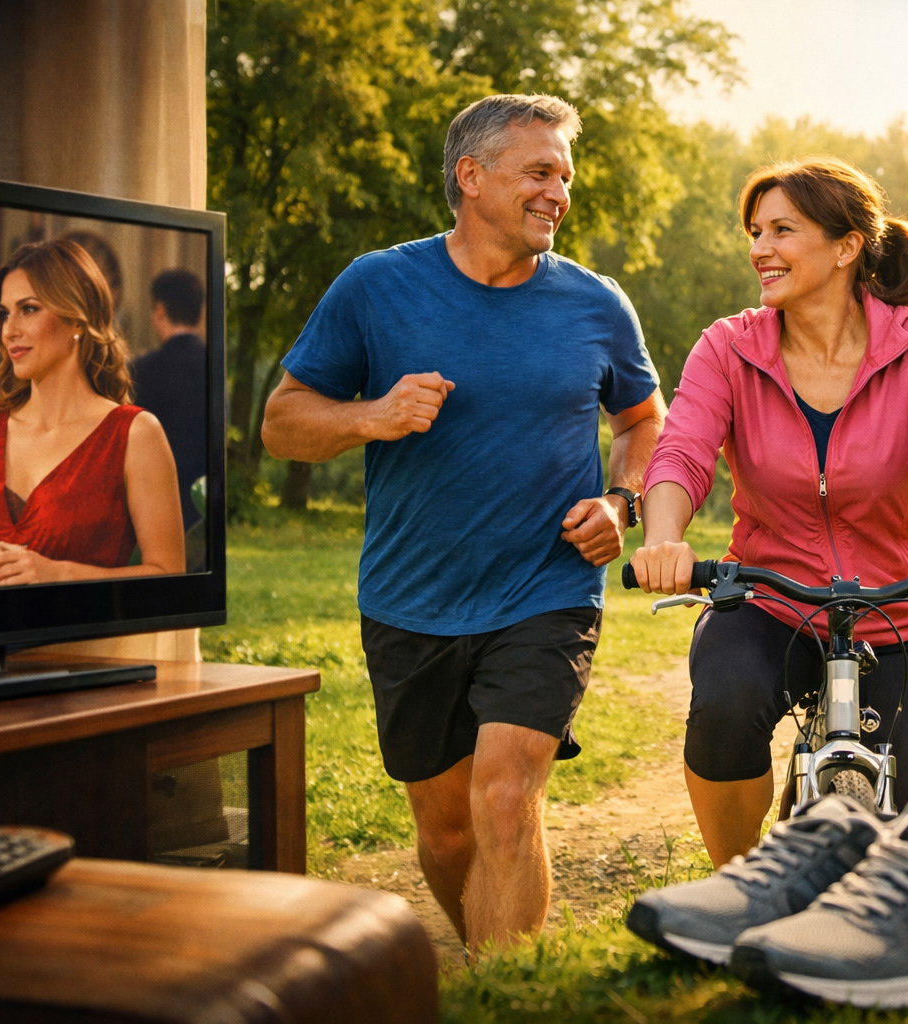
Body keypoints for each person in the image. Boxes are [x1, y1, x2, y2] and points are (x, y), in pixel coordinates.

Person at [259, 94, 664, 954]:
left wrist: (620, 503)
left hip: (545, 587)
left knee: (508, 798)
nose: (559, 192)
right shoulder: (376, 286)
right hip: (412, 599)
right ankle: (490, 960)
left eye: (565, 175)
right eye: (539, 172)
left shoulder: (597, 304)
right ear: (470, 178)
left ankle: (512, 990)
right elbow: (282, 422)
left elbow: (643, 422)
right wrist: (372, 416)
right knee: (446, 833)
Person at [628, 157, 908, 870]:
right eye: (755, 231)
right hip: (768, 598)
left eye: (782, 230)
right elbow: (682, 453)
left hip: (907, 607)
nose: (759, 248)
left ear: (846, 246)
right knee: (726, 701)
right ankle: (735, 882)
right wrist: (665, 539)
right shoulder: (729, 347)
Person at [0, 239, 184, 590]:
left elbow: (170, 580)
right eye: (5, 313)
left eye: (29, 309)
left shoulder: (135, 434)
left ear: (76, 319)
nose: (9, 331)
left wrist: (59, 574)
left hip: (81, 646)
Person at [132, 269, 209, 533]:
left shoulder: (143, 370)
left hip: (158, 509)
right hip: (207, 508)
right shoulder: (215, 367)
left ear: (160, 310)